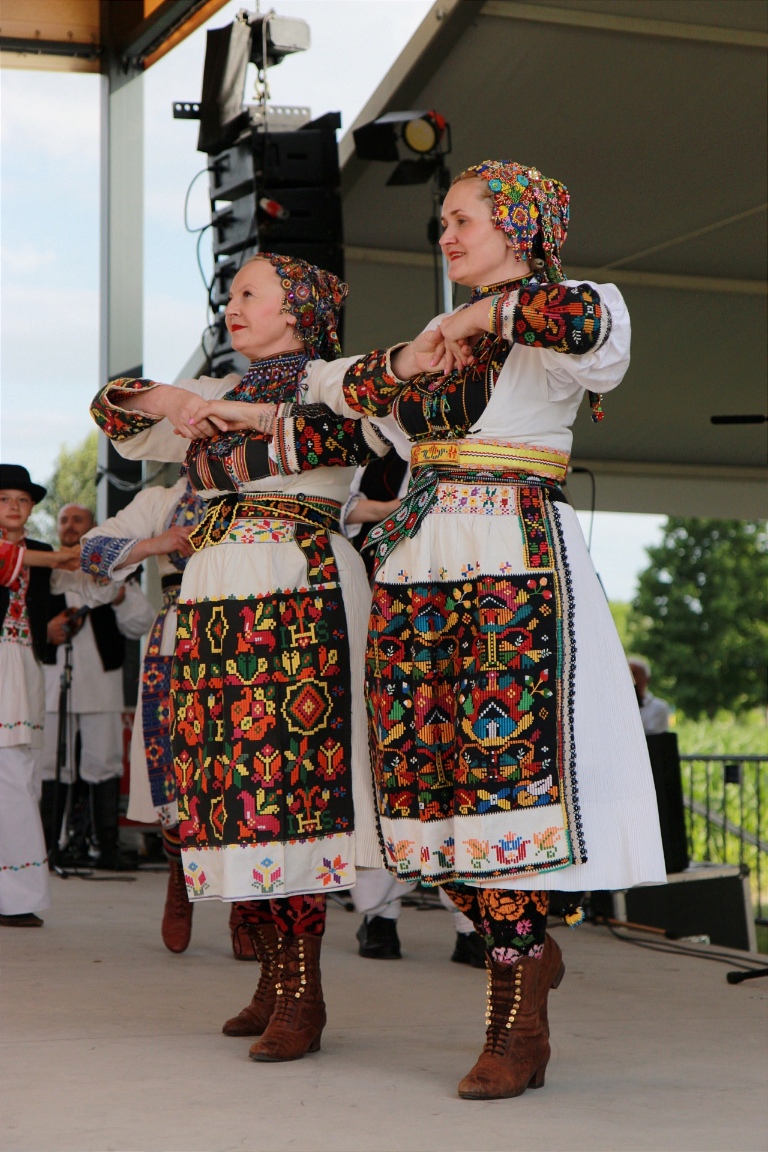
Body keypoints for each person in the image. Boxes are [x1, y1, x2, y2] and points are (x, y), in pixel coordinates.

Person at [337, 160, 667, 1099]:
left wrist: (479, 315)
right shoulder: (438, 336)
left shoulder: (568, 313)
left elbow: (586, 326)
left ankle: (516, 1022)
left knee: (503, 784)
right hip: (419, 565)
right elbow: (359, 412)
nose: (446, 235)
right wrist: (414, 357)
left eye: (464, 219)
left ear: (519, 227)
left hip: (510, 563)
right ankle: (526, 952)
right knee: (418, 782)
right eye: (442, 221)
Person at [89, 253, 389, 1061]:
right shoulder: (216, 392)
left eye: (249, 293)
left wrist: (223, 413)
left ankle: (304, 992)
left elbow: (347, 431)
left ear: (295, 309)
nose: (232, 305)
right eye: (230, 294)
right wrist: (175, 400)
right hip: (219, 588)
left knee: (295, 780)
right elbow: (113, 412)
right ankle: (274, 977)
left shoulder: (332, 379)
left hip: (297, 581)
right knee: (234, 782)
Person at [38, 504, 155, 870]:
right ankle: (46, 848)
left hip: (102, 685)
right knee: (50, 765)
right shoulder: (45, 571)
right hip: (52, 684)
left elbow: (142, 623)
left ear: (92, 528)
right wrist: (45, 630)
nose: (69, 526)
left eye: (78, 520)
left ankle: (106, 847)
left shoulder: (113, 571)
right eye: (64, 520)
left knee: (104, 762)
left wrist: (119, 598)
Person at [0, 465, 82, 926]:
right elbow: (11, 558)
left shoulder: (45, 553)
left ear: (32, 507)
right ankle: (17, 896)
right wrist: (62, 559)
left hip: (24, 666)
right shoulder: (38, 555)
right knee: (12, 774)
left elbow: (83, 582)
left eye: (22, 499)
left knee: (21, 772)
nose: (13, 506)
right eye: (3, 499)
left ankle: (16, 894)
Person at [629, 657, 670, 734]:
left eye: (634, 674)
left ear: (646, 679)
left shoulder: (659, 707)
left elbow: (656, 737)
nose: (630, 679)